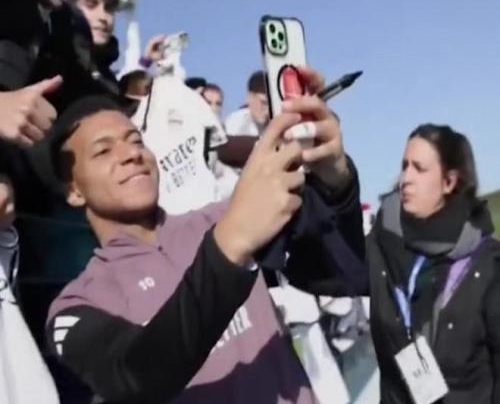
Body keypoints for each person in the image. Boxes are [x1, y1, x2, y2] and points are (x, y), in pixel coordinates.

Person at [46, 67, 367, 403]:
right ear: (74, 191)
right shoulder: (77, 304)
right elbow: (132, 376)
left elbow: (348, 274)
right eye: (103, 151)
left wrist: (334, 181)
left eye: (136, 140)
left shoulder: (226, 216)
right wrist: (229, 248)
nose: (131, 154)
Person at [367, 124, 500, 404]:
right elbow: (328, 273)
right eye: (404, 166)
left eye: (419, 168)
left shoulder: (488, 265)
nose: (406, 178)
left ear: (449, 182)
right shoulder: (381, 244)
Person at [225, 70, 269, 136]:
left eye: (270, 105)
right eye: (263, 103)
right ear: (249, 98)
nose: (267, 110)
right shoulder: (236, 122)